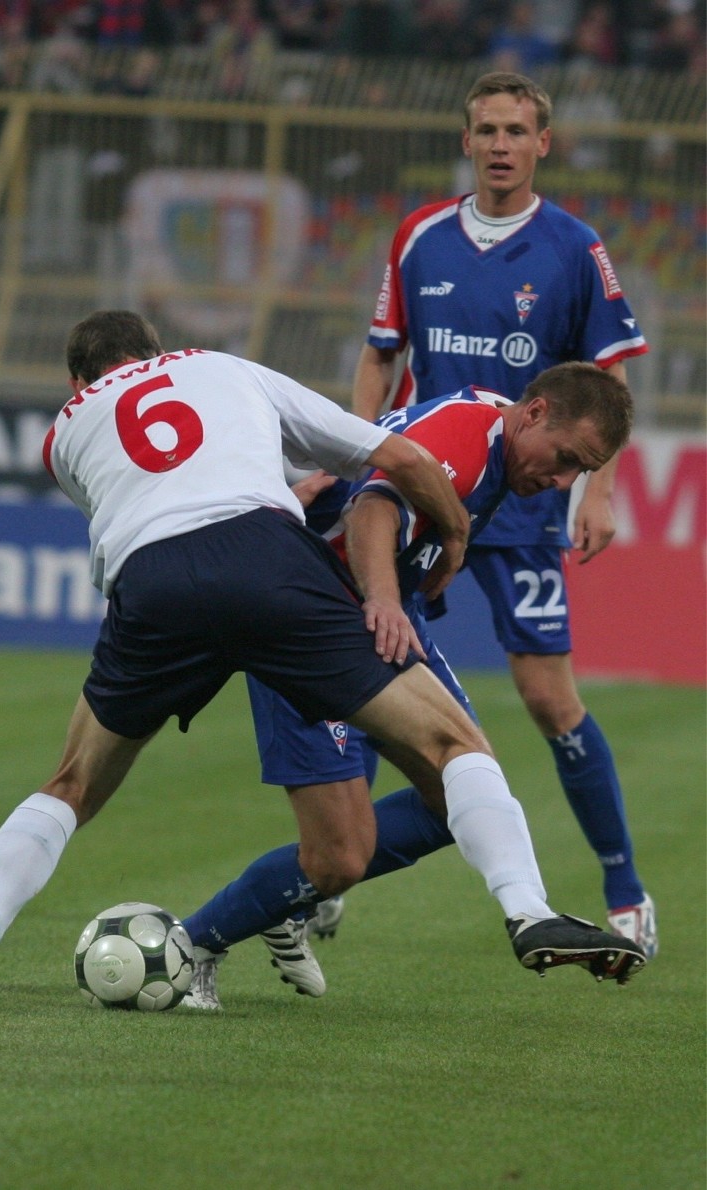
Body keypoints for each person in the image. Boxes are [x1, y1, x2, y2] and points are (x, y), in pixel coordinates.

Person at [0, 311, 646, 1007]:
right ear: (164, 351)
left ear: (81, 382)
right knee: (451, 751)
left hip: (153, 585)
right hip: (278, 574)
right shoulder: (223, 368)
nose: (559, 482)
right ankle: (524, 912)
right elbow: (388, 461)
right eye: (567, 465)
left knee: (72, 784)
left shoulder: (64, 432)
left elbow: (134, 501)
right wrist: (452, 533)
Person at [179, 363, 641, 1010]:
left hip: (373, 612)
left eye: (580, 473)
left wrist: (443, 543)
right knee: (339, 856)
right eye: (564, 459)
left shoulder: (494, 429)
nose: (562, 482)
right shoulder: (465, 434)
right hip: (310, 621)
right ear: (533, 413)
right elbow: (375, 505)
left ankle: (529, 915)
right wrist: (387, 601)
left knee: (455, 789)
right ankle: (190, 945)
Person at [352, 71, 657, 957]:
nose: (499, 145)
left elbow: (607, 380)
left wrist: (596, 489)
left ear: (542, 144)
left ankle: (625, 886)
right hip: (419, 491)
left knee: (546, 696)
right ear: (467, 138)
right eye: (486, 128)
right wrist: (361, 446)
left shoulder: (573, 247)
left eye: (516, 131)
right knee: (371, 669)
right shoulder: (419, 237)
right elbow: (381, 358)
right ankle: (330, 868)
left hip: (520, 503)